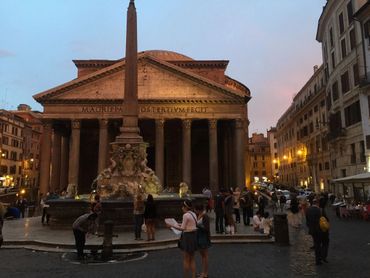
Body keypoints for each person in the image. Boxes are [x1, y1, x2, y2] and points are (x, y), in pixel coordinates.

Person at [167, 199, 198, 278]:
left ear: (185, 207)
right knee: (192, 258)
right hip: (194, 236)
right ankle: (193, 276)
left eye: (182, 207)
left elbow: (182, 229)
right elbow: (190, 225)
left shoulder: (185, 215)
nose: (181, 208)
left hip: (187, 237)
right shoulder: (193, 214)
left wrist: (171, 225)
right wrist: (179, 224)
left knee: (186, 259)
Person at [306, 199, 329, 265]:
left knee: (317, 244)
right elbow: (326, 219)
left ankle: (317, 260)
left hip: (313, 231)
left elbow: (307, 221)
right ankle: (323, 256)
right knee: (325, 243)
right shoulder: (320, 210)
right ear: (318, 203)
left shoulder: (308, 210)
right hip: (322, 230)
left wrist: (310, 227)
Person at [195, 203, 211, 278]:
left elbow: (206, 229)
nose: (195, 211)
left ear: (198, 210)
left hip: (203, 237)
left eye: (195, 210)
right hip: (199, 236)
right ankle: (203, 272)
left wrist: (197, 226)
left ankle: (205, 273)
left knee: (205, 256)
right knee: (203, 256)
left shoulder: (205, 216)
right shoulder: (199, 215)